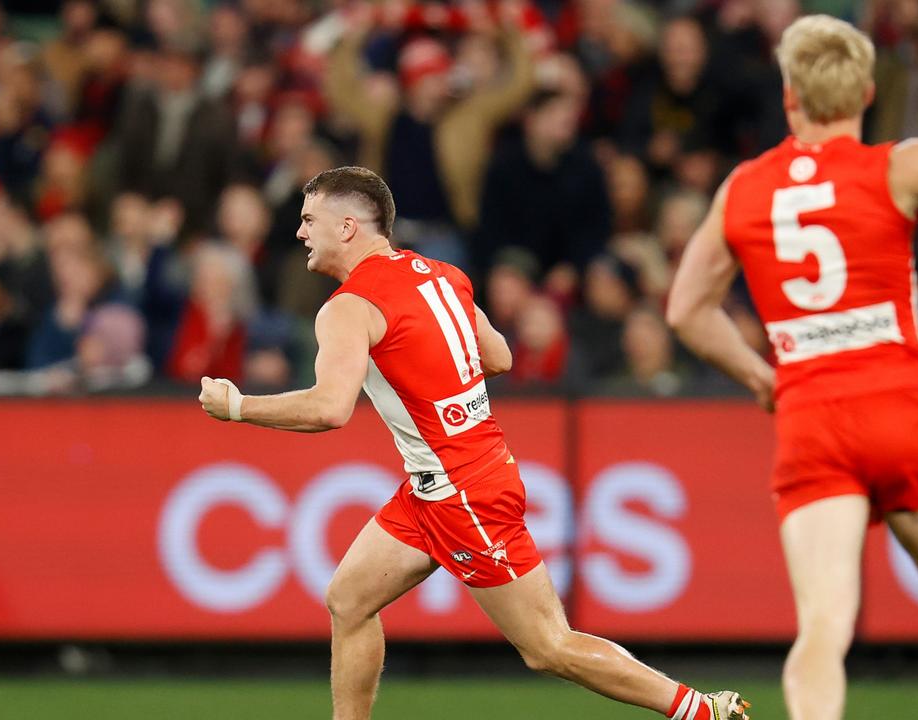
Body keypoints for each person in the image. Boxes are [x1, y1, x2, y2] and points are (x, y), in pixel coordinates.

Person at [198, 167, 749, 720]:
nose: (299, 233)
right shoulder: (442, 275)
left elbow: (328, 408)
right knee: (348, 601)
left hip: (462, 492)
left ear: (346, 227)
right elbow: (499, 356)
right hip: (439, 485)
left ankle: (704, 712)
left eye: (308, 220)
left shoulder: (348, 307)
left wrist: (238, 407)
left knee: (548, 647)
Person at [667, 15, 918, 720]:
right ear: (865, 92)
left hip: (811, 419)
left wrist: (759, 376)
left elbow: (686, 310)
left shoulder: (744, 188)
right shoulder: (895, 167)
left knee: (824, 627)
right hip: (897, 407)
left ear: (790, 95)